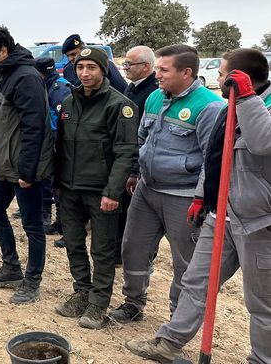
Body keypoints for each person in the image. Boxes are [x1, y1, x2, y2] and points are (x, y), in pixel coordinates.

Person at [125, 48, 271, 364]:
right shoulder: (226, 108)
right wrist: (202, 196)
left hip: (260, 223)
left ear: (239, 79)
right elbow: (215, 157)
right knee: (196, 282)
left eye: (222, 74)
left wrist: (246, 100)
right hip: (222, 214)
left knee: (261, 302)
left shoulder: (258, 107)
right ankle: (168, 343)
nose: (216, 80)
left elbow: (261, 143)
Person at [110, 44, 225, 324]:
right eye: (157, 68)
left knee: (184, 263)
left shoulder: (210, 106)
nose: (157, 75)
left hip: (183, 198)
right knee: (133, 248)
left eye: (163, 69)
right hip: (147, 191)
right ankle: (133, 303)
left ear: (187, 72)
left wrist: (201, 199)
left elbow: (213, 162)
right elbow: (142, 140)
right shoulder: (153, 98)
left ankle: (178, 318)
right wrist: (135, 173)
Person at [53, 47, 138, 329]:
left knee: (101, 250)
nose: (85, 73)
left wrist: (112, 192)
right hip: (69, 188)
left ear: (103, 70)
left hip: (100, 191)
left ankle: (98, 303)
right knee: (74, 244)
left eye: (91, 67)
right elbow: (60, 146)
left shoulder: (119, 105)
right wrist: (58, 185)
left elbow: (126, 151)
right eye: (80, 67)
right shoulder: (69, 102)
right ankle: (81, 292)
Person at [0, 26, 52, 305]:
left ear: (4, 51)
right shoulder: (5, 74)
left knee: (33, 225)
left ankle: (32, 281)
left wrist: (28, 171)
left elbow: (35, 128)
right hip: (5, 165)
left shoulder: (26, 77)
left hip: (24, 168)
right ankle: (11, 267)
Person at [118, 45, 159, 263]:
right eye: (124, 63)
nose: (125, 68)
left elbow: (144, 135)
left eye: (129, 64)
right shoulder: (132, 87)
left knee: (134, 213)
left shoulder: (152, 92)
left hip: (139, 163)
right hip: (126, 157)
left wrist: (135, 168)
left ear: (145, 67)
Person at [34, 57, 72, 241]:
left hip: (58, 139)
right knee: (48, 178)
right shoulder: (48, 85)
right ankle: (53, 219)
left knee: (57, 181)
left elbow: (64, 118)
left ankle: (61, 223)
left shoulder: (59, 88)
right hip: (49, 137)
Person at [61, 34, 127, 93]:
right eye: (67, 56)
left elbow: (121, 89)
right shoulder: (68, 69)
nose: (70, 59)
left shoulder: (104, 64)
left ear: (83, 50)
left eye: (73, 54)